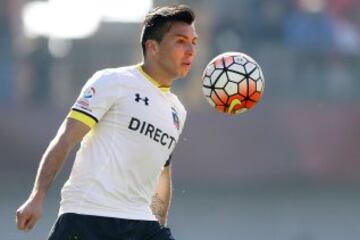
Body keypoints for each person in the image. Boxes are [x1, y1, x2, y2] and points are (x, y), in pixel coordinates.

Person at [15, 4, 198, 240]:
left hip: (142, 225)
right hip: (88, 217)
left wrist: (159, 224)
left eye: (194, 42)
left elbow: (162, 174)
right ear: (153, 47)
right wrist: (37, 196)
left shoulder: (177, 110)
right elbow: (66, 138)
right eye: (181, 41)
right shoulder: (113, 81)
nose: (191, 50)